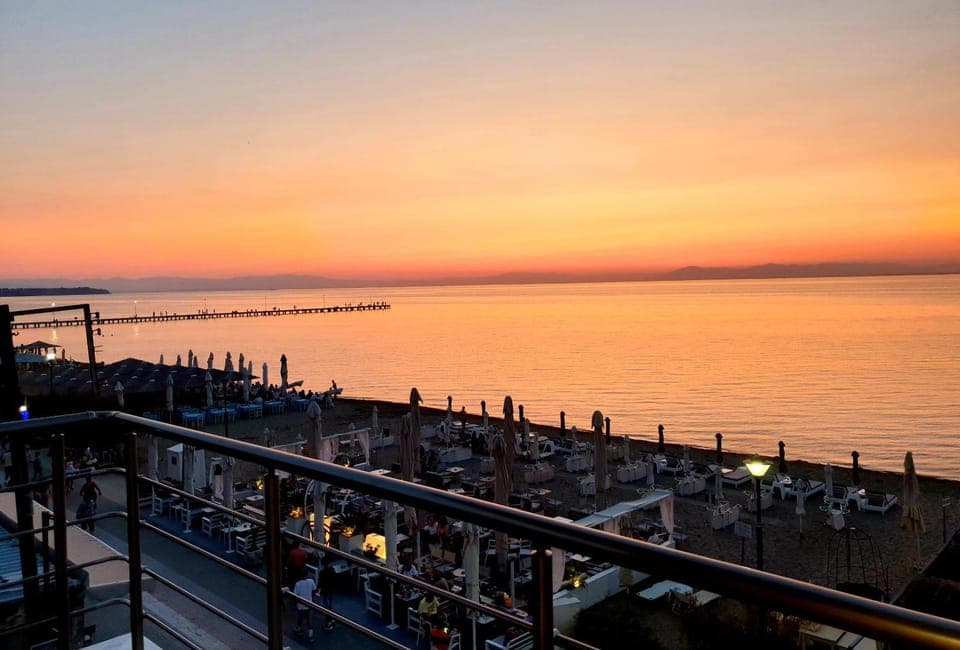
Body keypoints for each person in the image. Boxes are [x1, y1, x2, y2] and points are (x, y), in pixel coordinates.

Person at [293, 570, 318, 640]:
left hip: (301, 605)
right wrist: (311, 598)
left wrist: (296, 603)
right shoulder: (311, 581)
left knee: (300, 618)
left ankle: (298, 628)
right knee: (309, 620)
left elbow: (296, 596)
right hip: (309, 604)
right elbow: (314, 591)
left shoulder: (298, 584)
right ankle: (310, 635)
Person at [319, 555, 336, 631]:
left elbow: (320, 583)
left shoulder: (322, 573)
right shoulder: (332, 570)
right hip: (331, 590)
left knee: (325, 607)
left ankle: (328, 623)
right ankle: (331, 619)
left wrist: (317, 589)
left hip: (325, 591)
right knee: (329, 605)